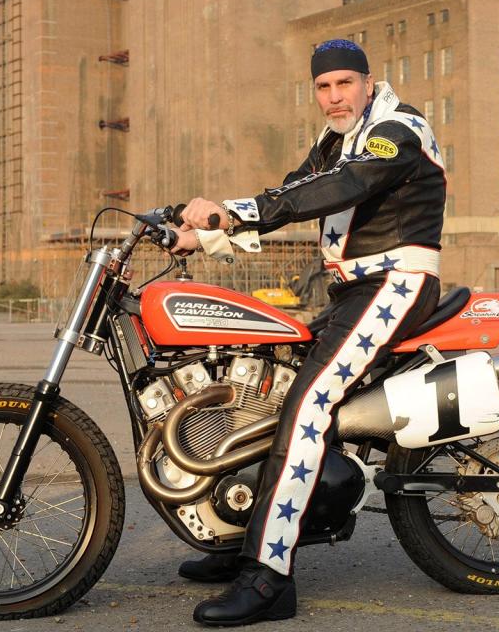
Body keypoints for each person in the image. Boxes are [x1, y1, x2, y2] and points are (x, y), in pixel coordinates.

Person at [170, 39, 447, 626]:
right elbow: (293, 192)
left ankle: (269, 578)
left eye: (344, 83)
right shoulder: (334, 144)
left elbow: (337, 190)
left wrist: (230, 210)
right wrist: (197, 234)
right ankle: (247, 539)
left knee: (306, 407)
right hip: (352, 292)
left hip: (396, 285)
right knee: (275, 387)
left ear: (369, 83)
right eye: (323, 87)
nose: (333, 96)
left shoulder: (396, 131)